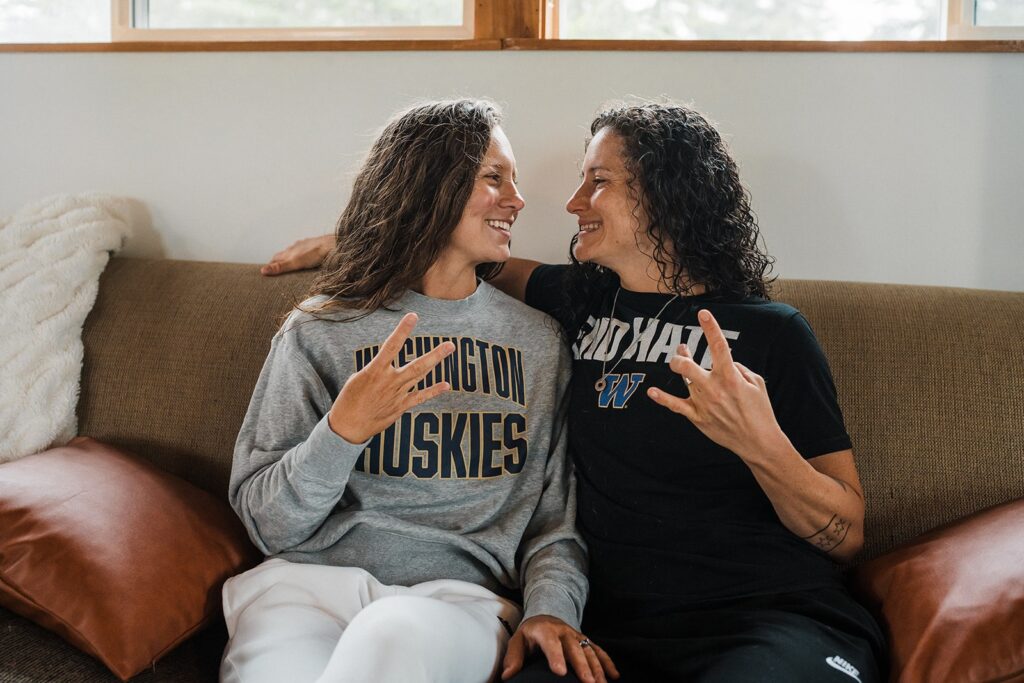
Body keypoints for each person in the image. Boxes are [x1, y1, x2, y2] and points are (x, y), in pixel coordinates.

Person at [263, 101, 886, 682]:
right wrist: (353, 238)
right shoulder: (579, 305)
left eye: (598, 182)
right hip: (615, 627)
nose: (571, 202)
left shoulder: (771, 332)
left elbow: (846, 532)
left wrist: (761, 445)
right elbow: (450, 246)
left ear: (666, 196)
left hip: (767, 613)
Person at [225, 99, 618, 683]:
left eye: (514, 180)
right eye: (494, 178)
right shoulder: (319, 329)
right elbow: (269, 525)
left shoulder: (538, 343)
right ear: (431, 186)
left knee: (390, 636)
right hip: (305, 589)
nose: (518, 199)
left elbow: (553, 524)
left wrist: (552, 608)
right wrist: (342, 433)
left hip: (455, 601)